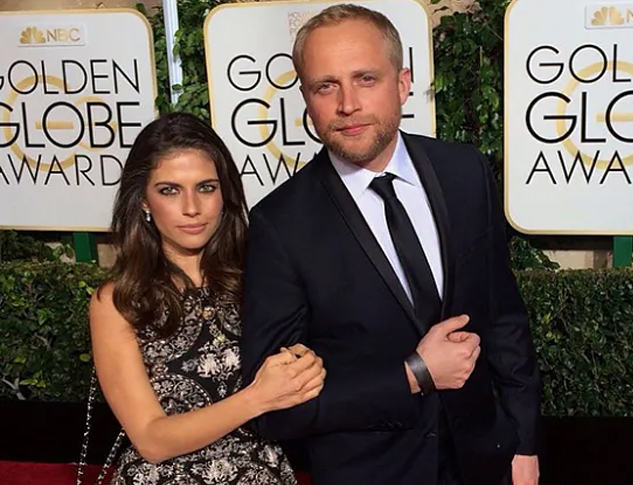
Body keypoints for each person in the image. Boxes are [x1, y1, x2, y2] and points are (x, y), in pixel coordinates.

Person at [240, 4, 542, 485]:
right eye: (325, 86)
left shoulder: (463, 172)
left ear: (402, 84)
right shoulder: (280, 224)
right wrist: (413, 375)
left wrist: (523, 442)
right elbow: (276, 408)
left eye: (365, 79)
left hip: (485, 460)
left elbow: (503, 316)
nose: (347, 104)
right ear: (306, 99)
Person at [88, 112, 326, 484]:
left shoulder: (260, 274)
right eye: (169, 190)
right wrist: (258, 397)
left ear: (224, 192)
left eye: (206, 187)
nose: (191, 208)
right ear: (144, 200)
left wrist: (306, 365)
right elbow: (150, 439)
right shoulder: (120, 301)